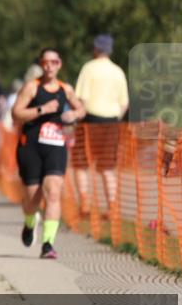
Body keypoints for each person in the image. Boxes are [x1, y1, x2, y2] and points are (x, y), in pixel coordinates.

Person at [10, 48, 86, 259]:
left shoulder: (65, 89)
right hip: (31, 146)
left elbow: (81, 109)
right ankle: (29, 222)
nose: (50, 66)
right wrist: (42, 109)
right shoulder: (31, 87)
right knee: (32, 200)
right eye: (46, 62)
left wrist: (74, 114)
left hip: (55, 145)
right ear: (41, 65)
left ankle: (48, 244)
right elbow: (16, 113)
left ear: (59, 64)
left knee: (53, 191)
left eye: (54, 62)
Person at [73, 34, 129, 220]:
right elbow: (124, 103)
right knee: (107, 167)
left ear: (95, 49)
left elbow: (82, 99)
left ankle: (85, 204)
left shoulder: (89, 68)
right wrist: (114, 119)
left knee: (81, 164)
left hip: (90, 120)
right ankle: (112, 206)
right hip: (112, 122)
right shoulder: (118, 71)